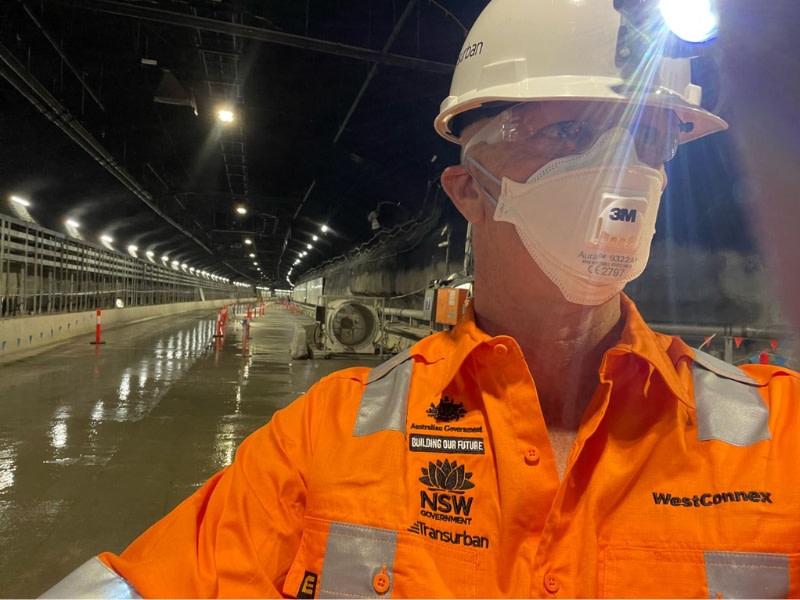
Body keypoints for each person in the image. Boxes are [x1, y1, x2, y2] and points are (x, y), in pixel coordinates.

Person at [41, 0, 800, 597]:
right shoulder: (325, 442)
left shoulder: (785, 437)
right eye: (569, 132)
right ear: (469, 189)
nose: (623, 174)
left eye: (649, 140)